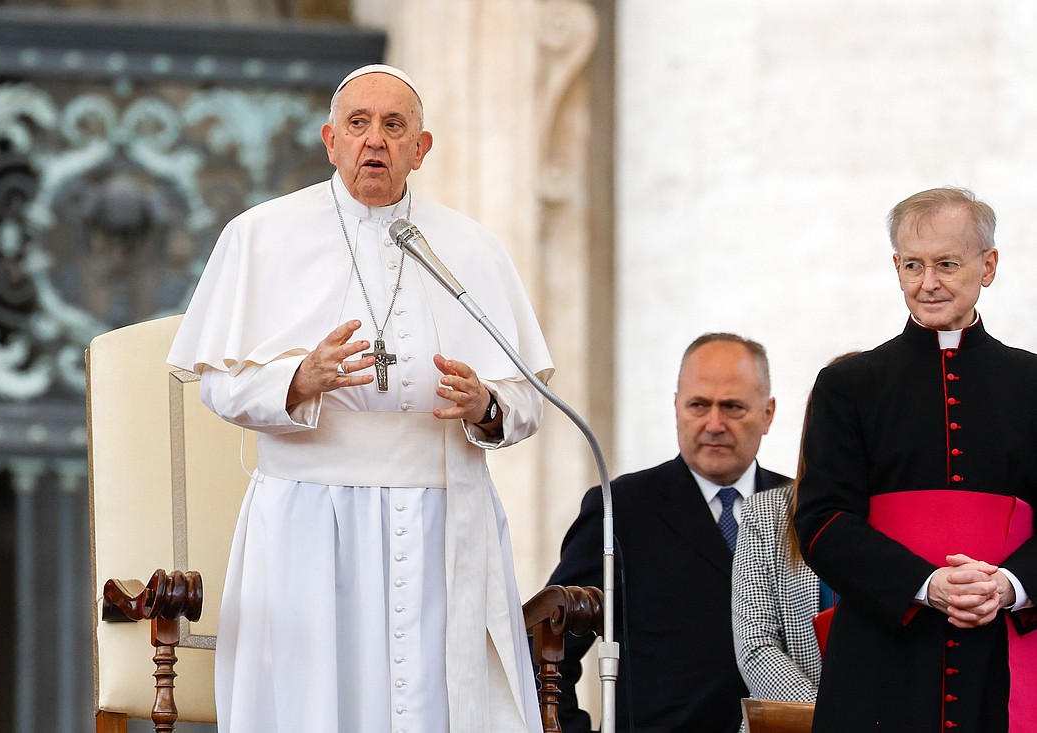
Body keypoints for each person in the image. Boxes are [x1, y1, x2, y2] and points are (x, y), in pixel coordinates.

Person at [166, 64, 553, 733]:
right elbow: (220, 385)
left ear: (420, 148)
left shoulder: (471, 247)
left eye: (394, 125)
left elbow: (530, 398)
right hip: (309, 524)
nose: (376, 139)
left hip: (443, 523)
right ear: (330, 139)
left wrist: (485, 403)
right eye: (359, 123)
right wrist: (296, 380)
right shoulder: (261, 236)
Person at [794, 187, 1037, 733]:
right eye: (912, 265)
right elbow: (823, 520)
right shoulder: (848, 385)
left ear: (988, 265)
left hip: (1004, 649)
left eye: (947, 263)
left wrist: (1009, 587)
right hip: (882, 653)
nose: (928, 283)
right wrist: (925, 584)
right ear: (896, 268)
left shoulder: (1031, 384)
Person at [544, 333, 790, 733]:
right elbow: (551, 646)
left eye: (732, 407)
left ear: (768, 413)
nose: (714, 424)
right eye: (699, 405)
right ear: (676, 407)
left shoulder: (802, 509)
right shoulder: (620, 509)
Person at [731, 357, 860, 705]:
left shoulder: (915, 514)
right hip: (797, 721)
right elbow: (756, 646)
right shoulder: (767, 513)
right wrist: (833, 720)